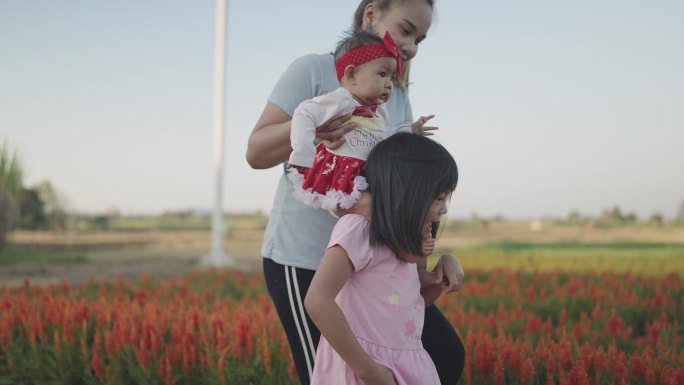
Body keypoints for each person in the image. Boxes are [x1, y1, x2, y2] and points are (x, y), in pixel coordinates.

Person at [246, 1, 465, 384]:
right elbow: (256, 152)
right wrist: (314, 127)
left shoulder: (394, 93)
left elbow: (397, 185)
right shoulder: (313, 70)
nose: (412, 47)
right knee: (331, 374)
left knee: (443, 356)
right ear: (371, 15)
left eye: (420, 39)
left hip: (373, 264)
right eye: (406, 30)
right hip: (308, 260)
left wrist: (422, 263)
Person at [305, 133, 458, 385]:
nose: (444, 209)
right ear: (408, 191)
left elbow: (412, 302)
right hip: (364, 366)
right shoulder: (359, 229)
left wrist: (442, 275)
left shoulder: (408, 238)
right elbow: (317, 301)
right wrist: (369, 372)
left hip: (406, 360)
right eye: (439, 198)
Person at [288, 30, 430, 211]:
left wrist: (408, 130)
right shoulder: (341, 100)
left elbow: (382, 138)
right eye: (382, 74)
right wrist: (304, 152)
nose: (389, 84)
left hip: (367, 174)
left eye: (392, 78)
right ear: (352, 74)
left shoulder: (380, 112)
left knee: (379, 213)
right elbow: (304, 113)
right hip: (340, 173)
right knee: (369, 210)